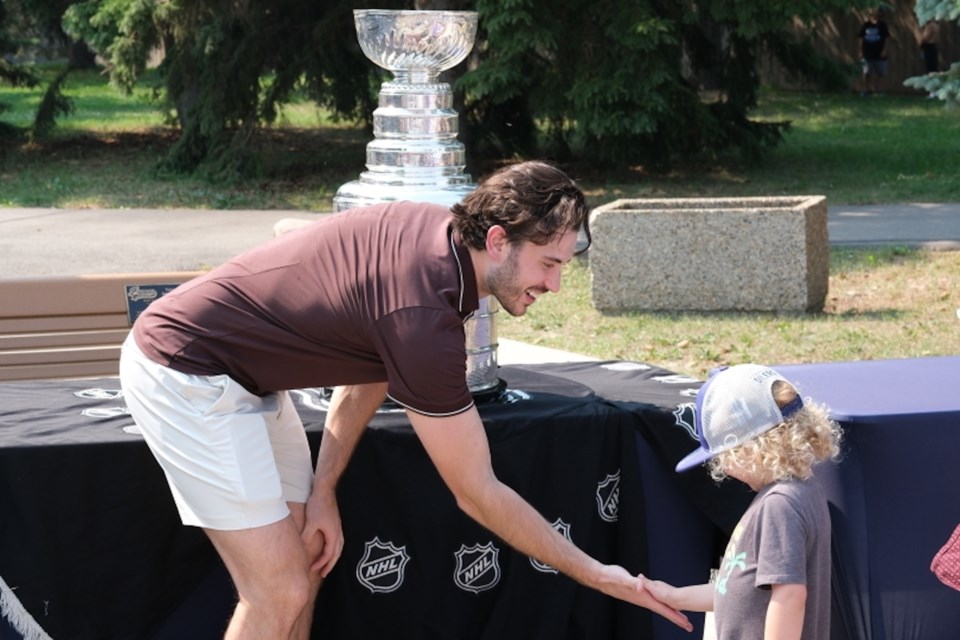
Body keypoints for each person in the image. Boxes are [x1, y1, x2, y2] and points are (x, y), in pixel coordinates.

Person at [118, 160, 692, 639]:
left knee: (307, 561)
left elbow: (370, 362)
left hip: (247, 379)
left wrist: (323, 490)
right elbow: (477, 492)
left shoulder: (441, 239)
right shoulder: (424, 317)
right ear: (498, 239)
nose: (555, 285)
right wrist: (600, 575)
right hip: (184, 372)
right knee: (278, 589)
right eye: (548, 263)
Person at [641, 364, 842, 639]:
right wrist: (674, 596)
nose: (723, 468)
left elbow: (790, 597)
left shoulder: (779, 505)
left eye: (725, 455)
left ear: (751, 447)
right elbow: (736, 589)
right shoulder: (802, 490)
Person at [858, 7, 891, 96]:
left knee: (881, 73)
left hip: (880, 52)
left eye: (877, 12)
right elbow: (861, 38)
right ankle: (865, 90)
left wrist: (885, 50)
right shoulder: (866, 25)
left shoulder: (882, 25)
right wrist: (860, 51)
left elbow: (886, 39)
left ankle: (879, 91)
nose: (875, 13)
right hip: (867, 52)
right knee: (866, 73)